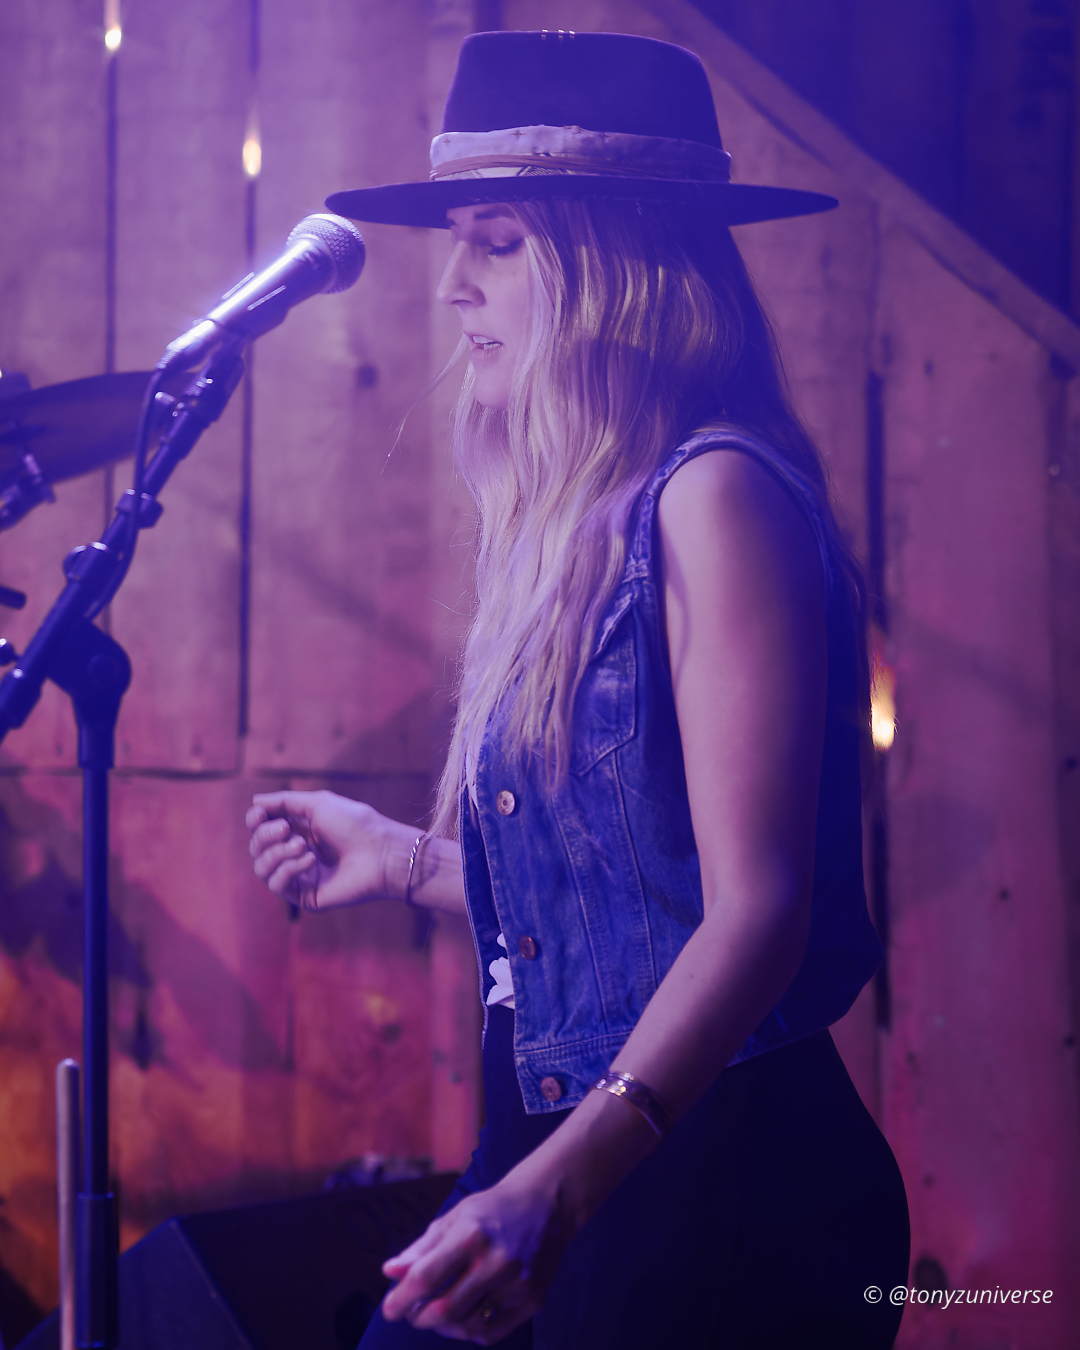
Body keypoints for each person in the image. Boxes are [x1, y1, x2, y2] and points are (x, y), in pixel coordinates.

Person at [245, 29, 910, 1349]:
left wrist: (560, 1183)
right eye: (461, 245)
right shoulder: (576, 524)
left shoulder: (716, 496)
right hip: (571, 1154)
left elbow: (758, 911)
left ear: (615, 267)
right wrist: (410, 860)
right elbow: (633, 896)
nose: (455, 289)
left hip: (714, 1187)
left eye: (498, 244)